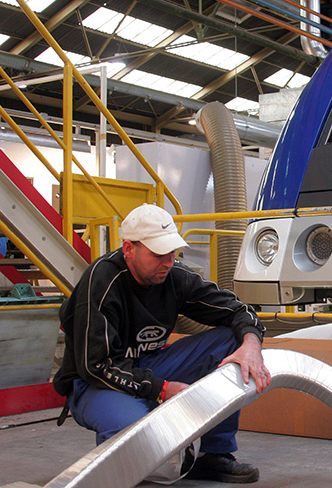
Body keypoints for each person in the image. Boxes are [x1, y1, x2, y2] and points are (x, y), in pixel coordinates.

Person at [53, 203, 270, 484]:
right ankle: (120, 469)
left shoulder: (174, 276)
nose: (167, 261)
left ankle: (214, 455)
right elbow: (95, 365)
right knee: (140, 435)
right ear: (129, 248)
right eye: (158, 254)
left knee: (231, 341)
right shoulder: (102, 281)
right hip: (95, 382)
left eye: (172, 252)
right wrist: (163, 389)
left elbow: (239, 311)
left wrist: (251, 346)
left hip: (150, 366)